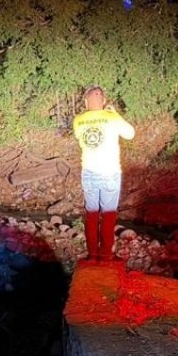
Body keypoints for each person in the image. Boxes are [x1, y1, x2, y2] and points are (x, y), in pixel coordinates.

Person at [72, 86, 134, 262]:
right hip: (109, 173)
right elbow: (130, 134)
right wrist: (115, 114)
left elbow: (80, 136)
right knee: (108, 215)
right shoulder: (111, 117)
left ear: (85, 102)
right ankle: (106, 254)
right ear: (104, 101)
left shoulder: (78, 120)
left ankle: (92, 254)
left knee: (91, 214)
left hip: (89, 172)